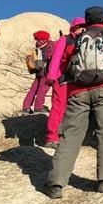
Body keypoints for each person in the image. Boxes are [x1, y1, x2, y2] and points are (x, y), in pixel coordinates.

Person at [44, 6, 103, 199]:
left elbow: (66, 64)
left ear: (86, 21)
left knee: (71, 135)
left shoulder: (75, 40)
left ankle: (55, 183)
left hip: (78, 91)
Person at [43, 17, 86, 149]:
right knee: (59, 106)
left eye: (84, 26)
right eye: (79, 26)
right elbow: (56, 58)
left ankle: (64, 135)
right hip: (61, 78)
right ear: (73, 28)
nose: (82, 28)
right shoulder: (65, 39)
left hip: (76, 80)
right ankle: (52, 136)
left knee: (72, 108)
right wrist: (51, 76)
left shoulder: (84, 40)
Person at [22, 31, 55, 114]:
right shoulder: (50, 45)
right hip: (46, 71)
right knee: (42, 89)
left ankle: (26, 107)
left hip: (38, 71)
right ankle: (38, 108)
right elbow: (50, 58)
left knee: (33, 89)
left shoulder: (37, 46)